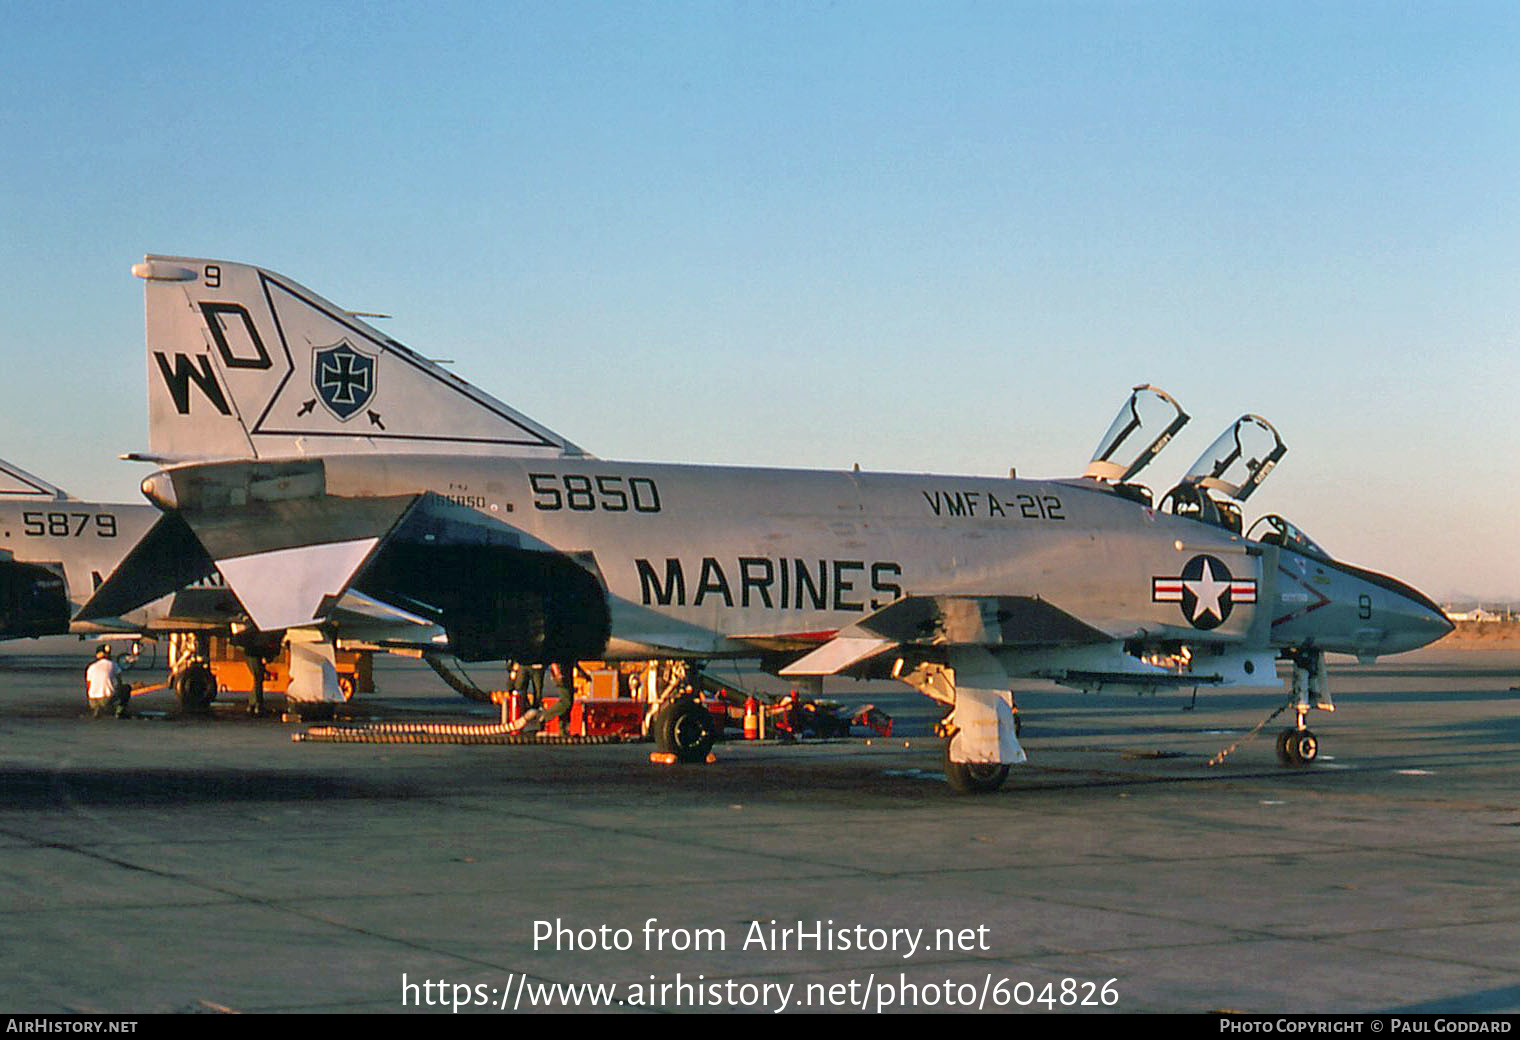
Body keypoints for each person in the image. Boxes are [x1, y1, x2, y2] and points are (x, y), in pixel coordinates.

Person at [86, 646, 129, 718]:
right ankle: (119, 712)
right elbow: (119, 682)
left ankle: (97, 708)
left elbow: (89, 685)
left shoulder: (91, 667)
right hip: (105, 699)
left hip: (92, 700)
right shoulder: (113, 664)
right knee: (126, 688)